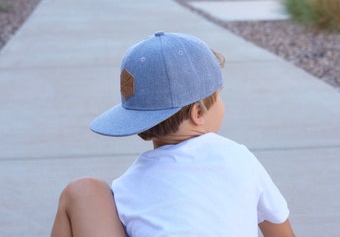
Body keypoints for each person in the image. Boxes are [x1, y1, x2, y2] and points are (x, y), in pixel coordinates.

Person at [51, 31, 295, 237]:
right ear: (198, 112)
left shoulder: (128, 186)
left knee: (83, 191)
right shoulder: (239, 158)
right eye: (219, 96)